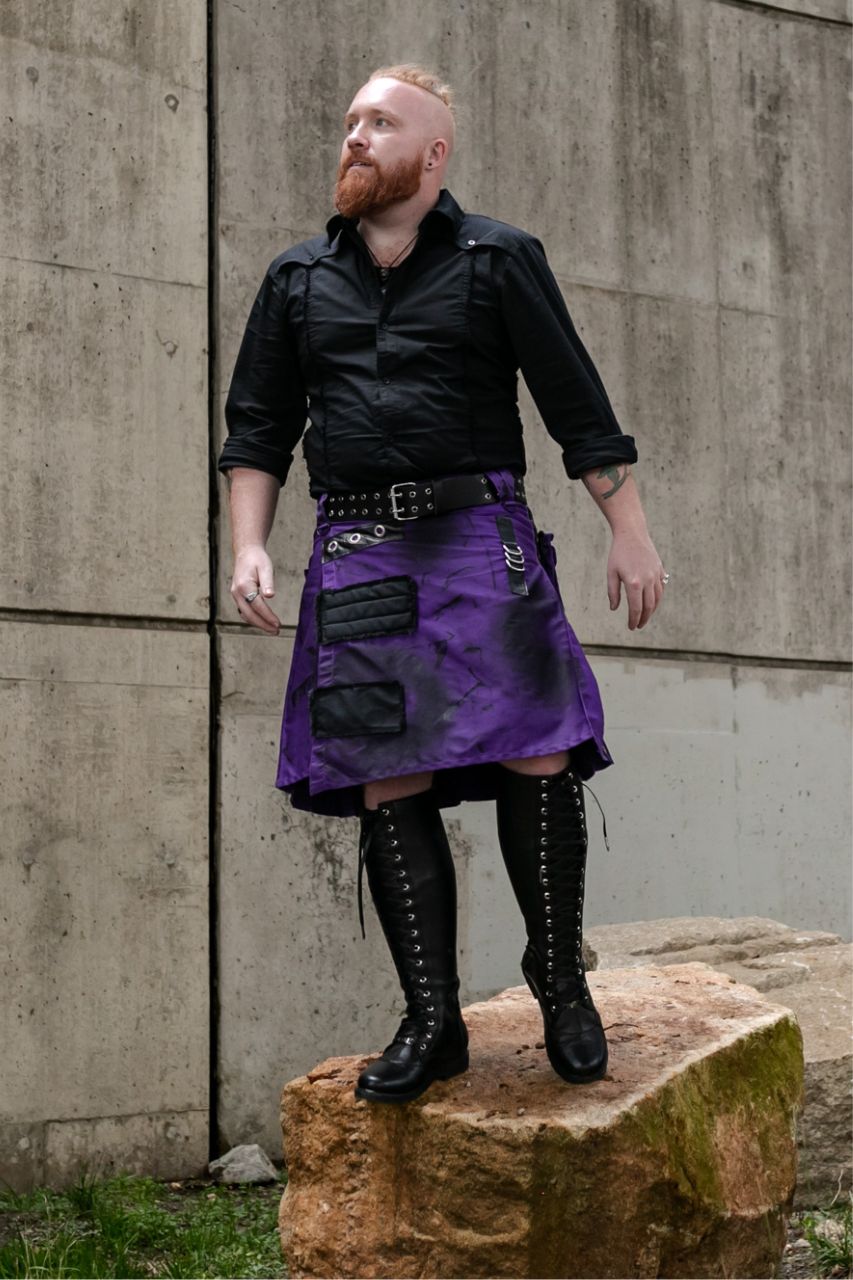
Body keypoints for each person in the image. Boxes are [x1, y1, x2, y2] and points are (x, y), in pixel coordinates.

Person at [217, 64, 666, 1106]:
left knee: (536, 745)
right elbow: (257, 429)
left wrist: (628, 532)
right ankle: (433, 1019)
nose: (356, 137)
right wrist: (249, 543)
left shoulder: (498, 259)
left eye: (381, 122)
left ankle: (559, 984)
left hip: (479, 535)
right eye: (350, 123)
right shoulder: (295, 280)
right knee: (386, 770)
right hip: (359, 548)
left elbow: (576, 406)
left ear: (434, 151)